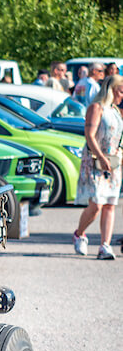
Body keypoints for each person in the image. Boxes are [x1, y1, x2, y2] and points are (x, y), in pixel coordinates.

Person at [71, 74, 123, 259]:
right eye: (120, 91)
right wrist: (101, 157)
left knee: (110, 204)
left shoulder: (116, 111)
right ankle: (79, 234)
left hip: (114, 163)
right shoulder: (96, 107)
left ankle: (105, 246)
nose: (122, 95)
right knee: (96, 205)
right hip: (96, 160)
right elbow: (89, 135)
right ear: (111, 89)